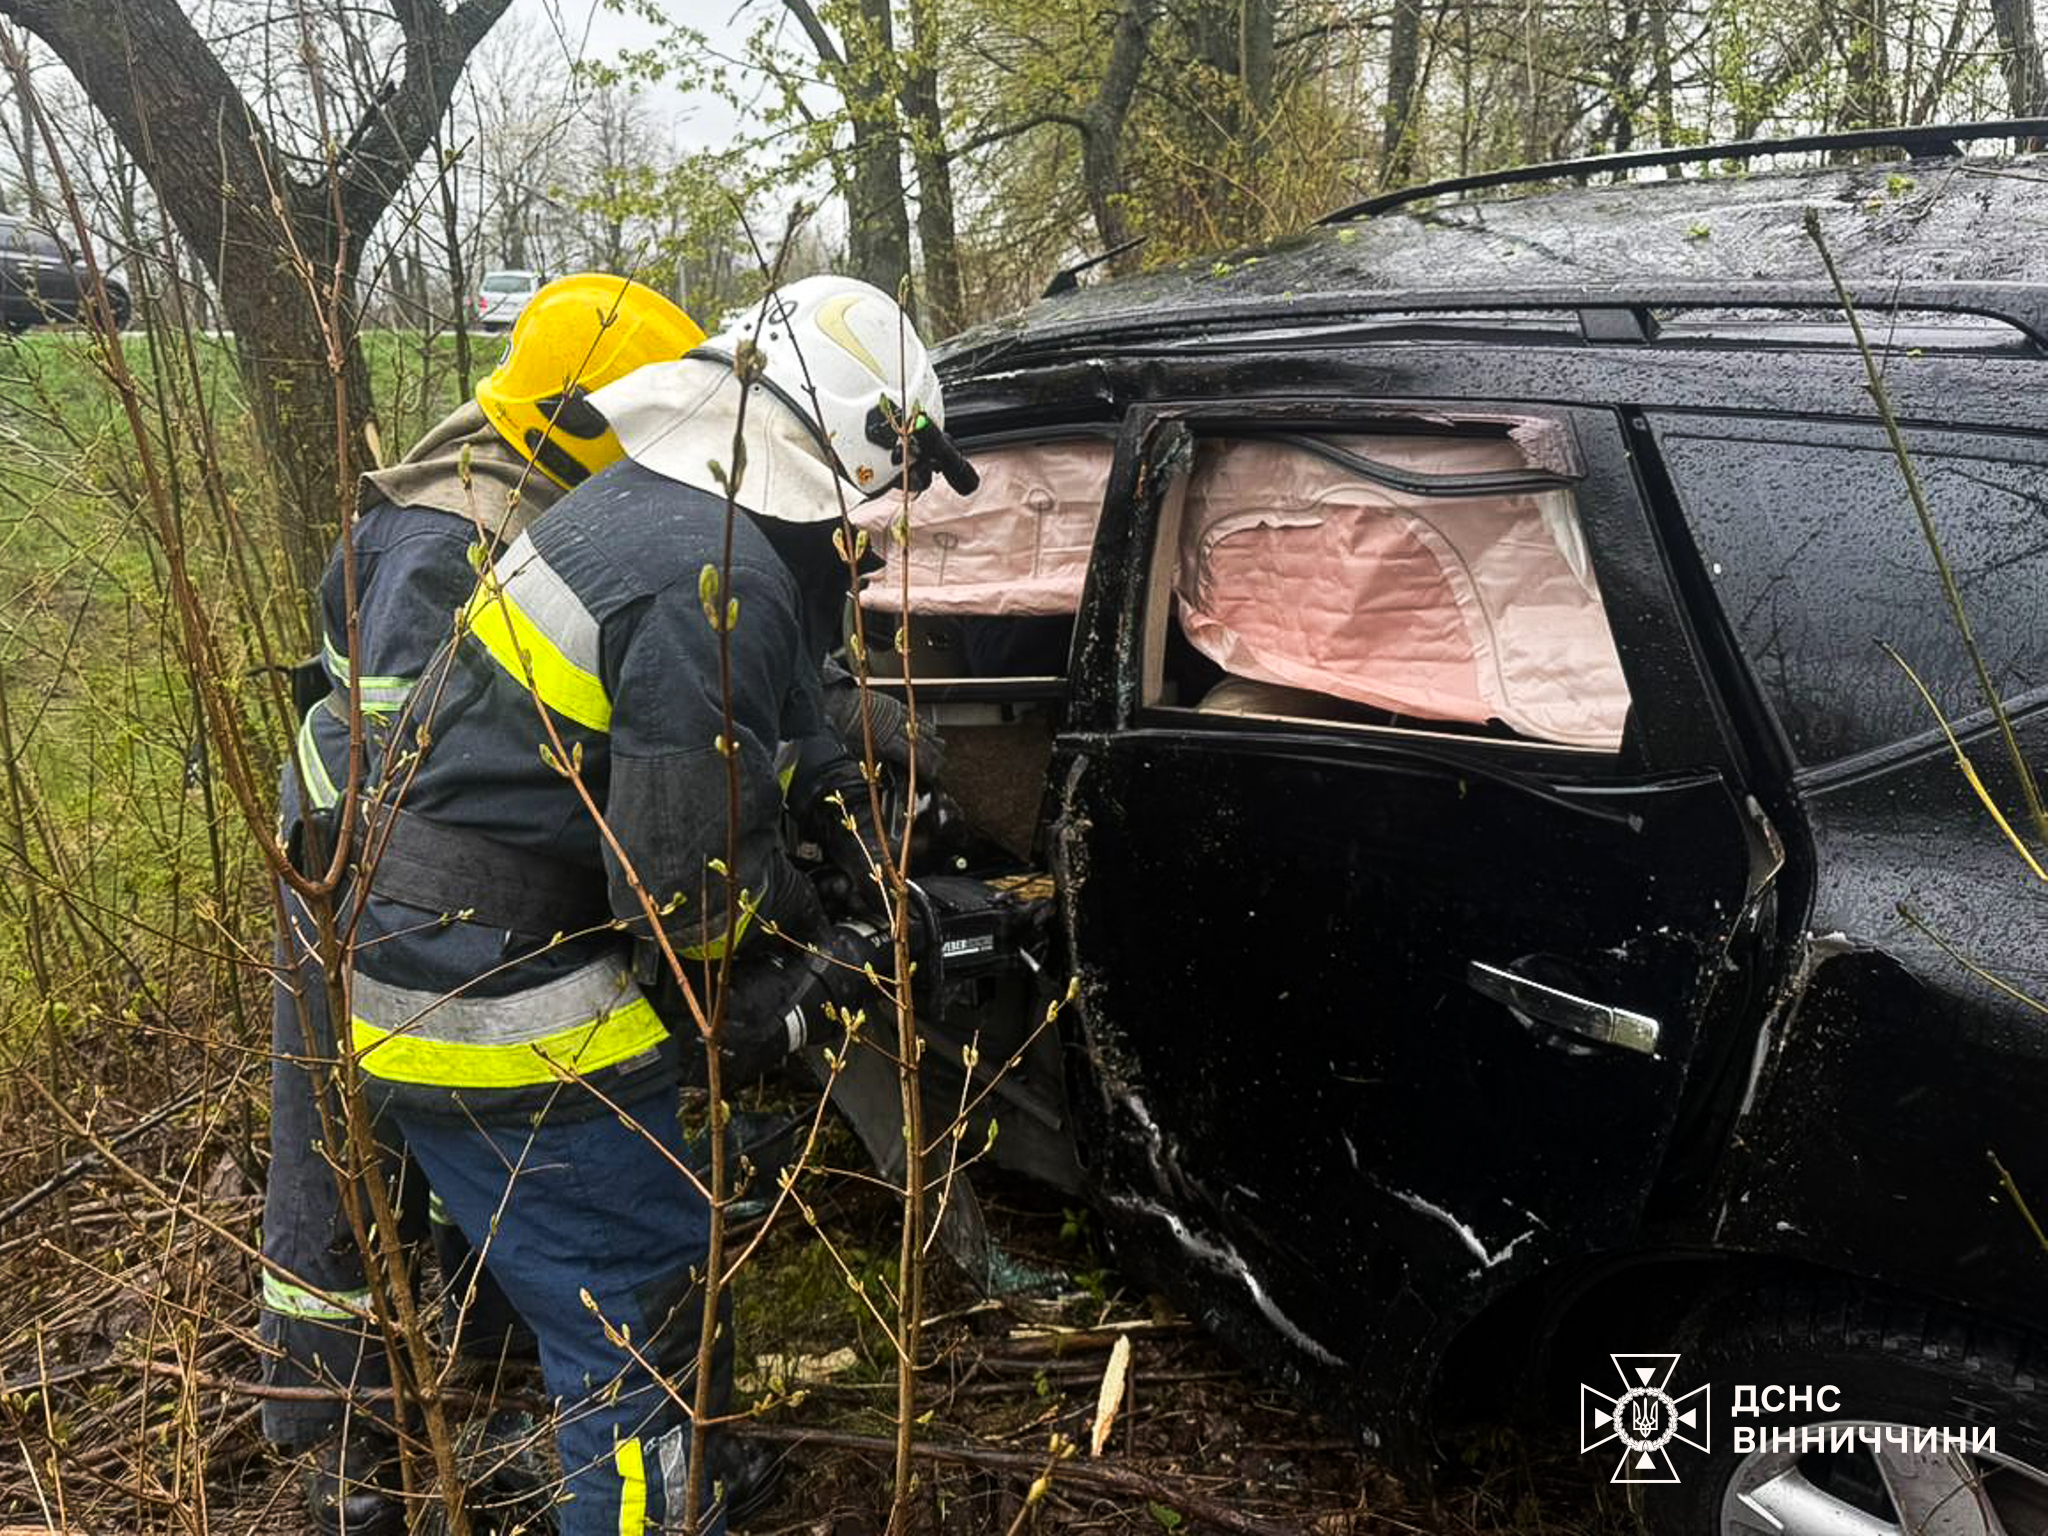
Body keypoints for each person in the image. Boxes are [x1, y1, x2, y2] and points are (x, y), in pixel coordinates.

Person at [347, 275, 965, 1536]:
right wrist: (828, 962)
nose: (883, 526)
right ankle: (656, 1502)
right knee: (635, 1342)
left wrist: (848, 809)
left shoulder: (670, 517)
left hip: (453, 955)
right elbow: (691, 901)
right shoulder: (706, 570)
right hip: (499, 995)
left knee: (648, 1279)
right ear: (841, 449)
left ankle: (694, 1478)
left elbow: (757, 731)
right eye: (887, 485)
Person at [264, 274, 707, 1536]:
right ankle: (344, 1458)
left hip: (388, 887)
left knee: (441, 1171)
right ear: (584, 416)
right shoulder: (452, 534)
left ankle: (481, 1418)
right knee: (353, 1176)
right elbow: (429, 776)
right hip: (357, 889)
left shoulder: (511, 498)